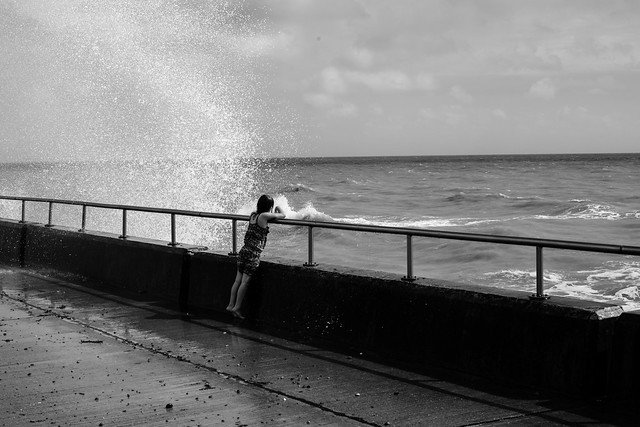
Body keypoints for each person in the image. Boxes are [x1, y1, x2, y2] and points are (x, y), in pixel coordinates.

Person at [226, 194, 285, 319]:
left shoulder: (253, 215)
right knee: (245, 282)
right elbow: (282, 215)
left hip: (244, 250)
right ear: (269, 206)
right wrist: (278, 207)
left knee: (237, 280)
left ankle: (230, 305)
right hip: (253, 253)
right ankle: (237, 307)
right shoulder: (264, 216)